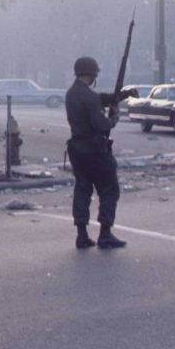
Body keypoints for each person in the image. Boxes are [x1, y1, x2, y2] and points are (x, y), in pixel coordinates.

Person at [65, 56, 127, 249]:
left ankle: (82, 235)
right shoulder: (89, 97)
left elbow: (96, 99)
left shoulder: (71, 93)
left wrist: (116, 96)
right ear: (91, 75)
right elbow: (101, 124)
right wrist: (114, 118)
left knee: (82, 189)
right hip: (95, 150)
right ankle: (105, 233)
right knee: (109, 189)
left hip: (77, 149)